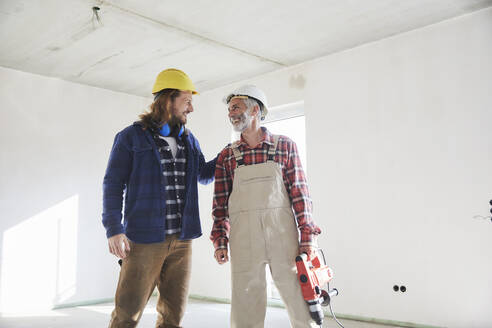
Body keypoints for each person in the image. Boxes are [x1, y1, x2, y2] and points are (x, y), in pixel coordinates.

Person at [102, 68, 217, 328]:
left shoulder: (189, 139)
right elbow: (112, 184)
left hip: (183, 240)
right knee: (126, 314)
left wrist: (229, 153)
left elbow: (203, 175)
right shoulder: (130, 137)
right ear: (168, 100)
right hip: (143, 240)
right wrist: (113, 229)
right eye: (187, 100)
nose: (191, 108)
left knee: (173, 315)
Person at [210, 85, 322, 328]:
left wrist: (308, 237)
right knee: (245, 301)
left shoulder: (284, 146)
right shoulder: (227, 156)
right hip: (243, 238)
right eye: (229, 110)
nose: (231, 113)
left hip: (281, 234)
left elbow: (300, 194)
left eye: (236, 107)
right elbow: (220, 204)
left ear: (256, 110)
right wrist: (220, 240)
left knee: (298, 295)